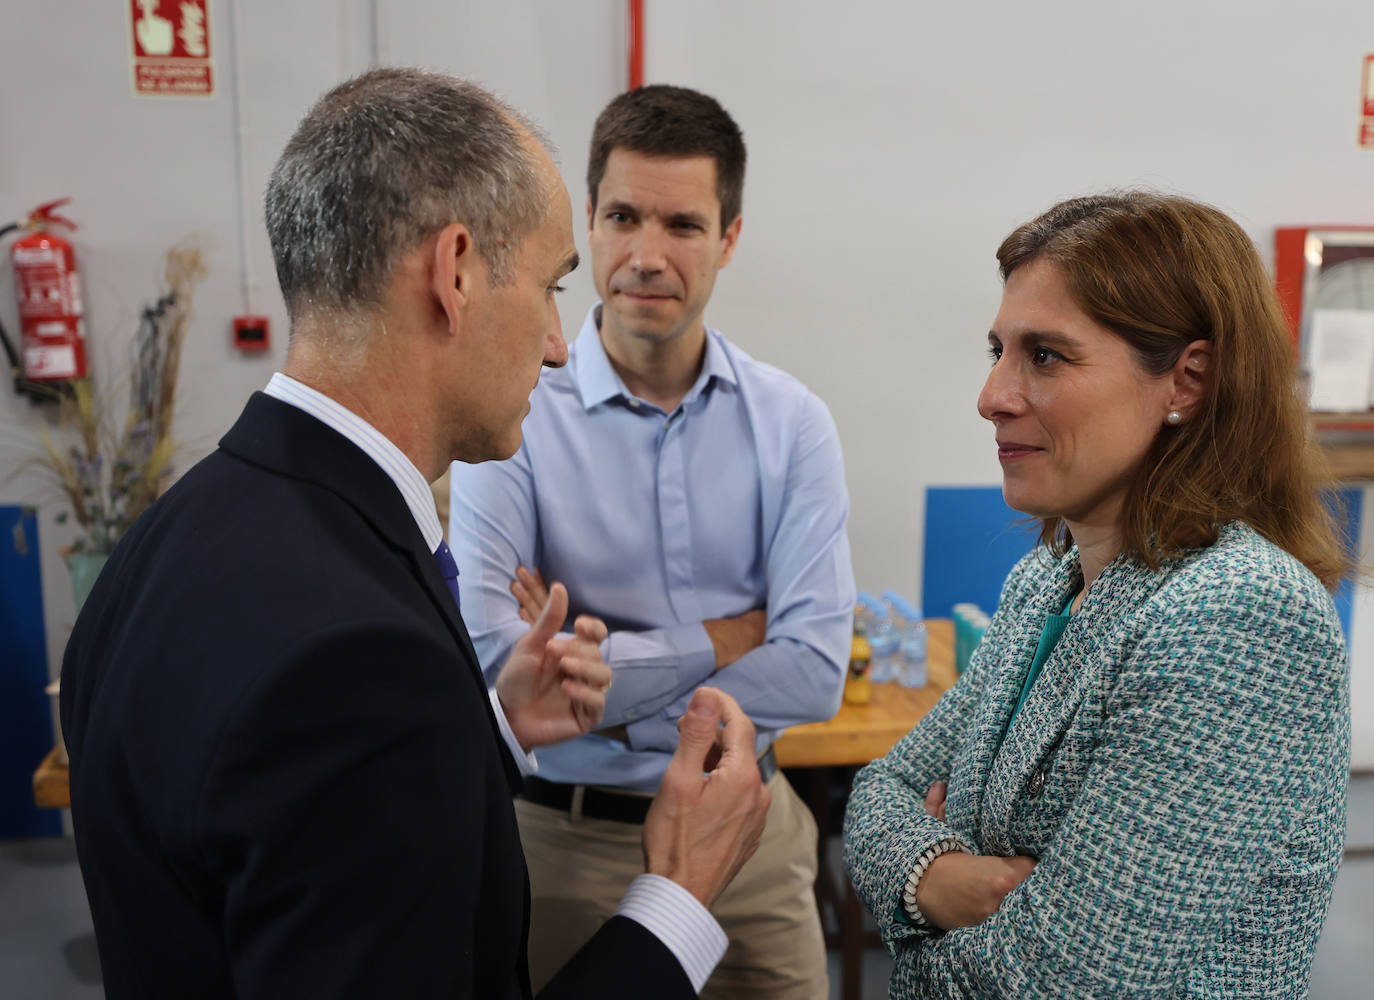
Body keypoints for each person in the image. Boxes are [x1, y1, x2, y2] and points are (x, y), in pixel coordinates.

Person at [59, 68, 770, 1000]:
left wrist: (484, 729)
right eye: (553, 286)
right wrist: (678, 894)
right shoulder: (360, 663)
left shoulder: (166, 539)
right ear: (457, 272)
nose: (559, 344)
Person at [843, 191, 1351, 998]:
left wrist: (914, 920)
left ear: (1186, 381)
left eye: (1045, 355)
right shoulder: (1048, 580)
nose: (993, 395)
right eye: (999, 350)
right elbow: (880, 793)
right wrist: (938, 880)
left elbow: (1058, 983)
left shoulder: (1238, 614)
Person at [449, 84, 855, 998]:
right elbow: (496, 661)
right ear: (586, 222)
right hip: (568, 847)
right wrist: (729, 635)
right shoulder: (509, 413)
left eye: (682, 223)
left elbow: (815, 669)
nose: (647, 254)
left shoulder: (792, 423)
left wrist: (601, 684)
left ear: (730, 238)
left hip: (753, 830)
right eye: (623, 215)